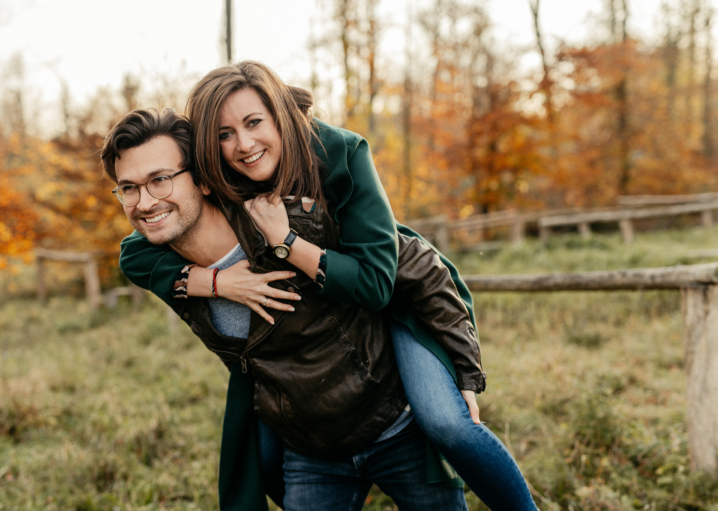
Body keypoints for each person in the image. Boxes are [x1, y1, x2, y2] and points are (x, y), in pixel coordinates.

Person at [114, 62, 539, 511]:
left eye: (254, 122)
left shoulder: (335, 158)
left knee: (447, 423)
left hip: (390, 320)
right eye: (224, 134)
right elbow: (133, 253)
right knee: (264, 459)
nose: (243, 144)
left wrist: (288, 242)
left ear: (279, 116)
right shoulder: (210, 206)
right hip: (311, 438)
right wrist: (217, 282)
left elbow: (397, 272)